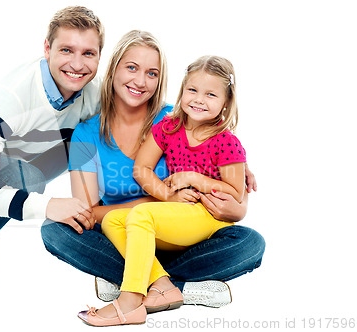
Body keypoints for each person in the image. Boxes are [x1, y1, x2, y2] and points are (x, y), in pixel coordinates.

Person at [39, 31, 265, 326]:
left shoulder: (179, 119)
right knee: (56, 230)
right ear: (114, 69)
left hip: (185, 236)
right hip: (122, 238)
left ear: (161, 80)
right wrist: (164, 197)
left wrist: (236, 191)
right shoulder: (85, 135)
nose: (140, 81)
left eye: (152, 73)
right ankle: (172, 285)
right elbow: (88, 214)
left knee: (250, 243)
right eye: (131, 68)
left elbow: (232, 194)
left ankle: (138, 284)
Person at [78, 55, 249, 326]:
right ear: (182, 92)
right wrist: (167, 194)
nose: (199, 99)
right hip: (175, 211)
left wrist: (194, 178)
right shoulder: (169, 127)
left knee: (141, 216)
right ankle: (163, 285)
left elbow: (236, 193)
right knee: (113, 219)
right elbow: (141, 169)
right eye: (192, 90)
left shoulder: (227, 142)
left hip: (204, 214)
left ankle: (130, 299)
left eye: (211, 94)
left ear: (226, 102)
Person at [0, 6, 102, 278]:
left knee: (95, 136)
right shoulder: (6, 95)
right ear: (47, 49)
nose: (78, 64)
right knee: (25, 178)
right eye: (66, 50)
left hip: (21, 157)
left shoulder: (93, 94)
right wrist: (49, 206)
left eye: (88, 53)